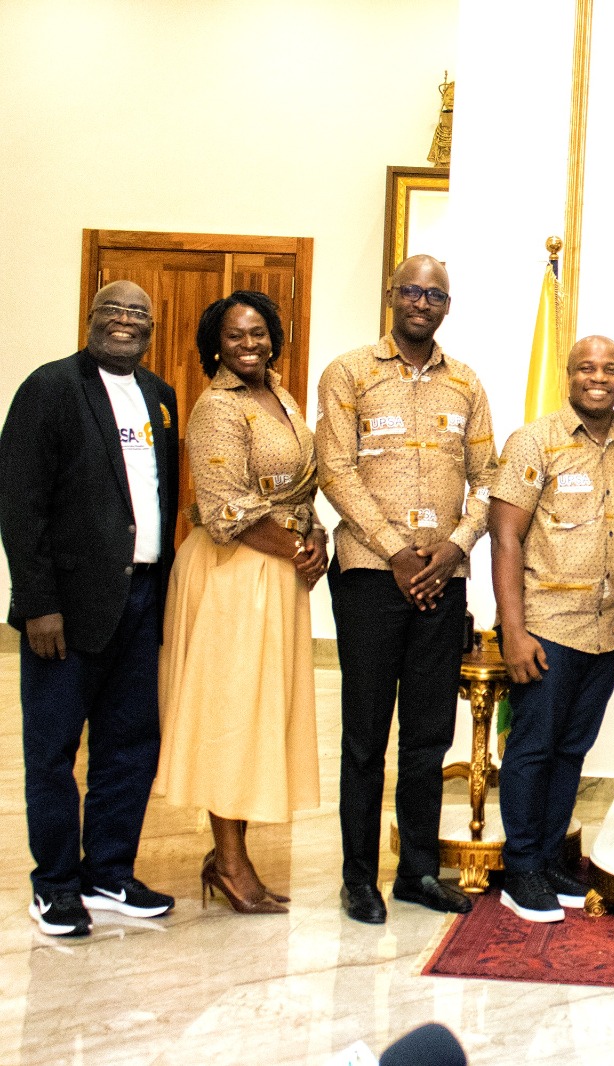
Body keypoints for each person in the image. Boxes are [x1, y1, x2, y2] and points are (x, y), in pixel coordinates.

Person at [317, 255, 495, 923]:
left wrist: (455, 546)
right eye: (412, 291)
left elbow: (490, 477)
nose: (422, 302)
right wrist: (395, 552)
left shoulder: (467, 384)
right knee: (365, 735)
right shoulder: (349, 373)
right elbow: (335, 469)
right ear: (392, 296)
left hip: (442, 580)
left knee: (427, 736)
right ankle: (358, 876)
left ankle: (417, 872)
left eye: (435, 294)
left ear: (446, 305)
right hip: (370, 575)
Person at [0, 280, 179, 935]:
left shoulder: (160, 396)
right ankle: (55, 885)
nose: (126, 322)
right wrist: (38, 604)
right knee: (53, 751)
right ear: (92, 318)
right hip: (68, 611)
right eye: (115, 311)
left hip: (141, 600)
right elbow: (21, 505)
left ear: (151, 328)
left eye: (138, 314)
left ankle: (108, 872)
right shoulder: (49, 389)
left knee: (130, 744)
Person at [153, 291, 326, 913]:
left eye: (259, 333)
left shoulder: (278, 396)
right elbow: (226, 506)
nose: (250, 344)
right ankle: (229, 862)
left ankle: (229, 855)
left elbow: (299, 487)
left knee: (259, 716)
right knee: (231, 715)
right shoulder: (215, 407)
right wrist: (296, 546)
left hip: (277, 573)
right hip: (234, 574)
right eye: (235, 336)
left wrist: (317, 539)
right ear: (215, 345)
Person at [488, 335, 614, 923]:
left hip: (606, 630)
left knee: (571, 748)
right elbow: (505, 535)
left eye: (612, 369)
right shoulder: (535, 441)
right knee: (533, 748)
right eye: (587, 367)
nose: (599, 378)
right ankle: (521, 868)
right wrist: (514, 630)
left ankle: (552, 857)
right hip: (547, 626)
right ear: (569, 375)